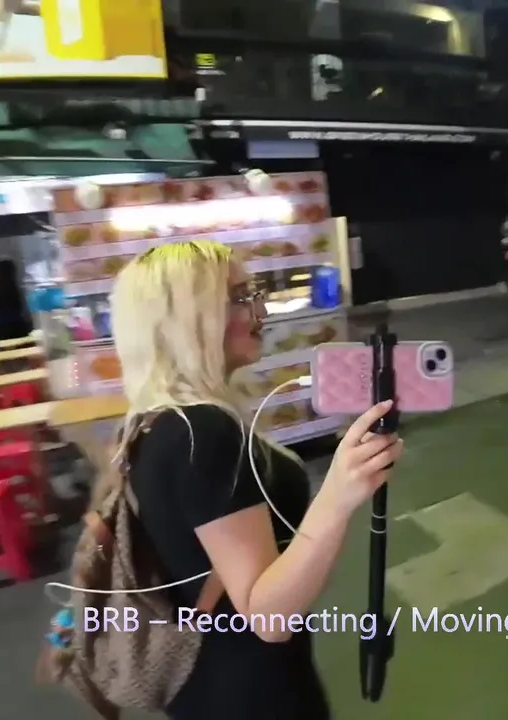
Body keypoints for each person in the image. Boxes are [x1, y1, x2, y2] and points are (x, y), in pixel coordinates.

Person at [99, 240, 402, 719]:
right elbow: (268, 615)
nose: (260, 310)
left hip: (206, 689)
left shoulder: (151, 424)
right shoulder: (202, 431)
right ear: (190, 318)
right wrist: (338, 495)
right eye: (240, 297)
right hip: (254, 696)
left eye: (255, 293)